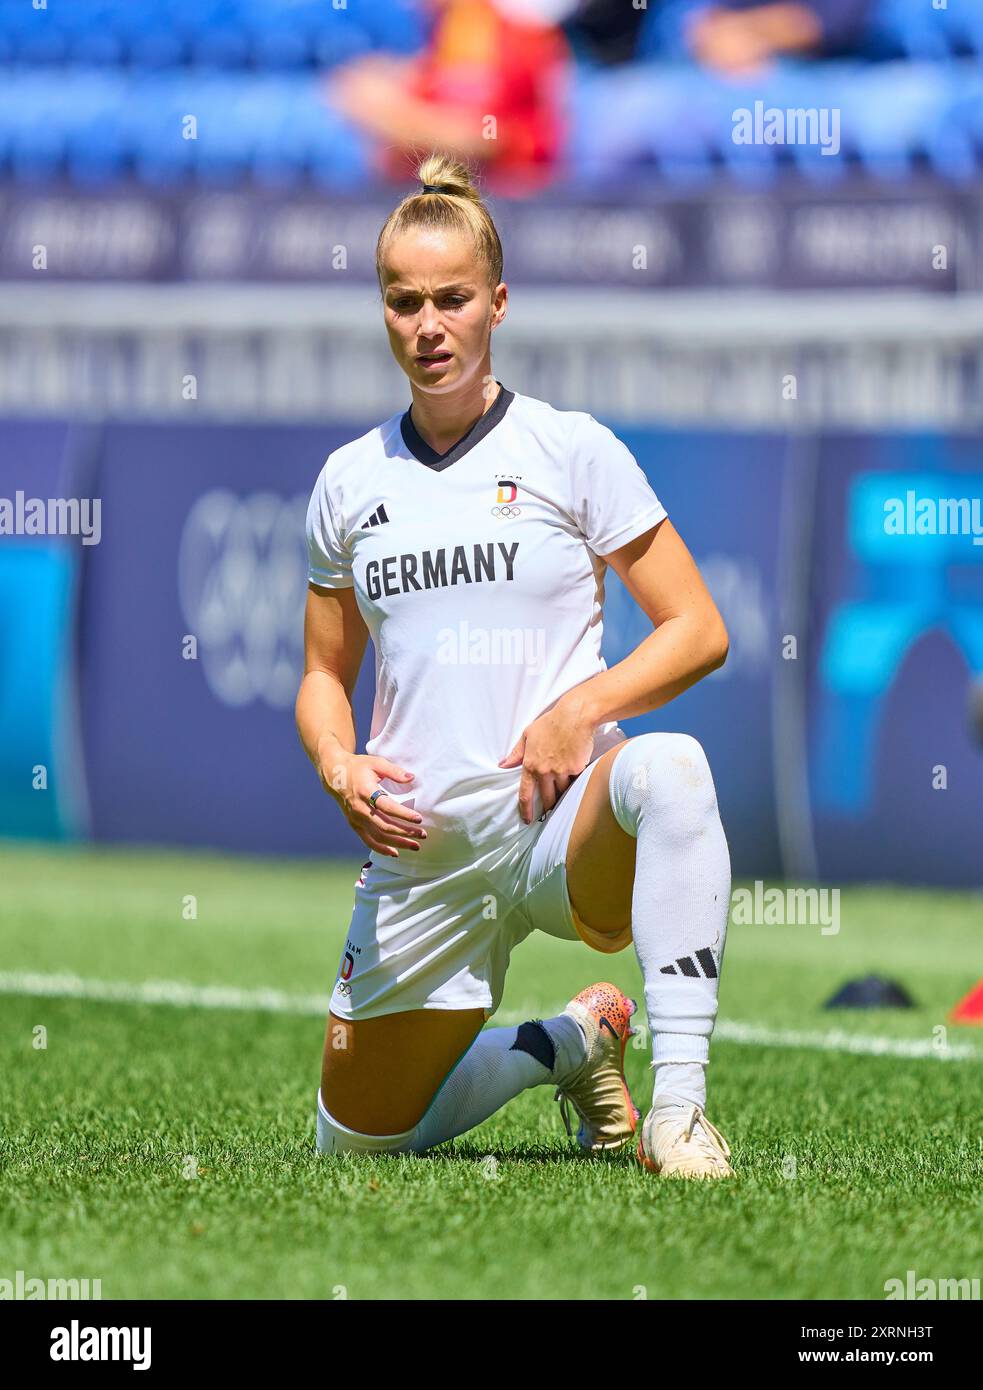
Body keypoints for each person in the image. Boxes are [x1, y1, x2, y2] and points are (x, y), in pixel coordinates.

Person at [297, 152, 735, 1179]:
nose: (427, 325)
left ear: (497, 303)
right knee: (357, 1141)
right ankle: (570, 1043)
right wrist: (338, 765)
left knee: (670, 770)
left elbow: (696, 628)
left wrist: (581, 706)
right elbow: (321, 675)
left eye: (451, 298)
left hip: (556, 819)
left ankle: (677, 1117)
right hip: (423, 850)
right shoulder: (346, 481)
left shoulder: (567, 448)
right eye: (403, 302)